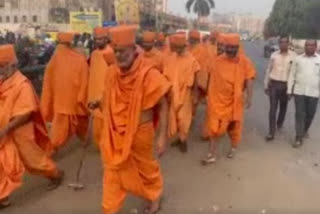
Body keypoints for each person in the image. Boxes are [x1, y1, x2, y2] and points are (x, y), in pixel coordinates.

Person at [100, 25, 171, 214]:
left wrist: (162, 136)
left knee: (147, 170)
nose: (119, 55)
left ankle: (154, 196)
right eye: (116, 51)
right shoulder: (111, 74)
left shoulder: (149, 74)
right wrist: (97, 104)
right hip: (115, 136)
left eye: (123, 51)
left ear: (133, 49)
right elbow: (108, 101)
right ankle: (110, 209)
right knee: (112, 172)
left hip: (141, 133)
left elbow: (163, 105)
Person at [0, 45, 64, 209]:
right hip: (3, 131)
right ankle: (2, 196)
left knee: (33, 161)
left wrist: (6, 129)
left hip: (19, 130)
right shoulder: (3, 81)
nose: (0, 70)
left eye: (1, 66)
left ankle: (55, 174)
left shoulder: (22, 85)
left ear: (12, 65)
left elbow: (26, 113)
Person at [203, 34, 256, 165]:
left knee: (233, 128)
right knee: (214, 127)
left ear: (238, 47)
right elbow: (211, 77)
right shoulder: (217, 60)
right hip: (217, 100)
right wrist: (207, 94)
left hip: (234, 101)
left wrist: (249, 97)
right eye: (228, 47)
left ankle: (233, 147)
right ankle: (212, 153)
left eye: (233, 47)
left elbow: (249, 79)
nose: (230, 50)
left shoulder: (245, 62)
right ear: (224, 47)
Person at [41, 32, 89, 151]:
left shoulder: (55, 57)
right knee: (80, 126)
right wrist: (82, 97)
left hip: (62, 102)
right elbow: (85, 79)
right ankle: (47, 155)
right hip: (75, 101)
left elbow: (48, 82)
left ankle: (47, 153)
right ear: (71, 43)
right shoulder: (79, 58)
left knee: (63, 132)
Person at [164, 33, 200, 153]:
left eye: (174, 47)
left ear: (181, 46)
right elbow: (166, 75)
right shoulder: (171, 58)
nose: (172, 49)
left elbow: (196, 77)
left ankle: (183, 140)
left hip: (186, 93)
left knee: (183, 119)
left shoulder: (191, 60)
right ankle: (179, 138)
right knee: (174, 117)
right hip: (173, 93)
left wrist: (195, 94)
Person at [287, 39, 320, 148]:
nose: (309, 47)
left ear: (316, 47)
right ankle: (298, 137)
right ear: (304, 47)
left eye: (311, 45)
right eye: (307, 45)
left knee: (310, 115)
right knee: (299, 114)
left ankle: (305, 130)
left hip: (314, 92)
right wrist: (289, 90)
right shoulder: (298, 59)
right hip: (299, 91)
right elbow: (292, 75)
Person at [264, 36, 296, 141]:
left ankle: (279, 123)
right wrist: (266, 84)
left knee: (283, 107)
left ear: (288, 44)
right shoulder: (274, 55)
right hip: (274, 84)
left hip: (285, 85)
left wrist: (290, 90)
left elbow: (293, 73)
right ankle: (271, 132)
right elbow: (269, 70)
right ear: (279, 44)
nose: (283, 44)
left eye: (285, 42)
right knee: (272, 109)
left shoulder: (293, 56)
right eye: (281, 42)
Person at [88, 27, 115, 145]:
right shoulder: (94, 54)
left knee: (107, 121)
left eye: (101, 39)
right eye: (96, 39)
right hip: (94, 91)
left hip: (106, 92)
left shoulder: (111, 53)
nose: (98, 41)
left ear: (106, 39)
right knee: (97, 123)